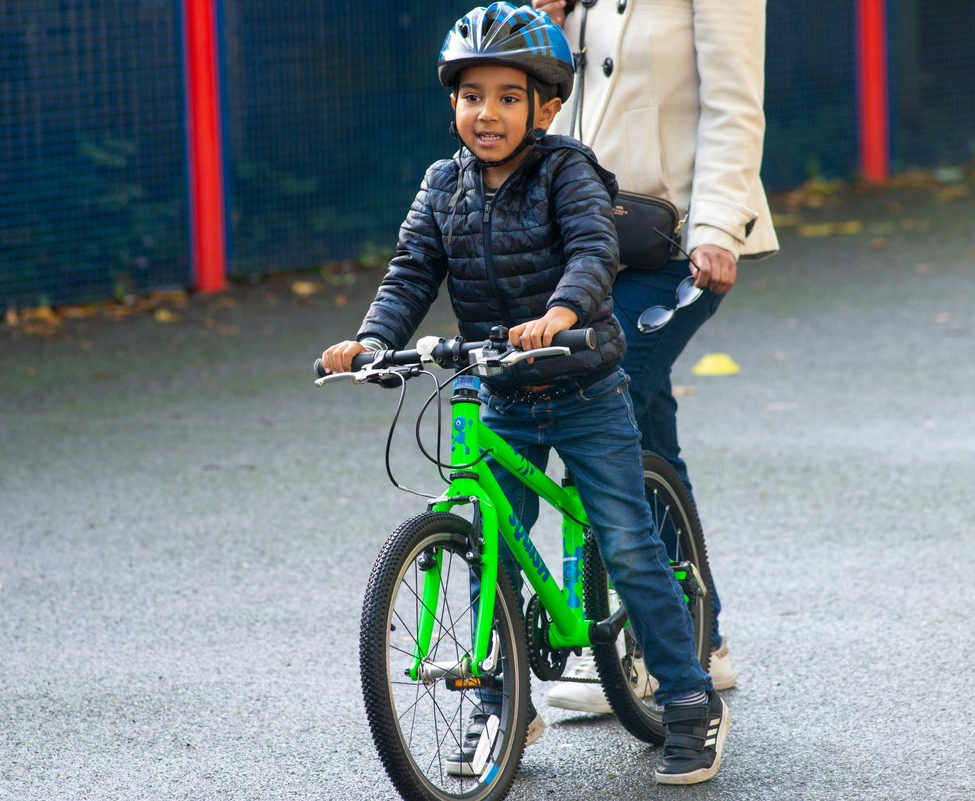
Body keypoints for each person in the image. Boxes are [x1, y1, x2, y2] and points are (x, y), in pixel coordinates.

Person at [322, 3, 728, 785]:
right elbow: (412, 269)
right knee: (488, 548)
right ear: (453, 104)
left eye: (510, 97)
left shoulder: (567, 170)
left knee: (630, 543)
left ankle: (687, 699)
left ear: (546, 106)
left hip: (581, 384)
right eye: (473, 95)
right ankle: (504, 702)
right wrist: (371, 341)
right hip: (499, 389)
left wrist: (562, 314)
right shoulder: (443, 185)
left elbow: (592, 248)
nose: (489, 113)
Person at [531, 0, 781, 715]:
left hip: (678, 245)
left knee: (598, 400)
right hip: (584, 249)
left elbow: (734, 102)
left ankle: (622, 639)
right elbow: (515, 89)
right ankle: (704, 635)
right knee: (648, 435)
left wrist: (715, 229)